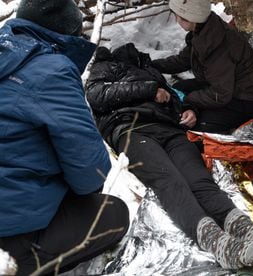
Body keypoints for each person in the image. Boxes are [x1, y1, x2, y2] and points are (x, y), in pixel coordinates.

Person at [85, 43, 253, 269]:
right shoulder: (105, 67)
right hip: (132, 129)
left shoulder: (150, 69)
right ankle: (217, 243)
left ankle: (250, 231)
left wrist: (189, 110)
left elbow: (173, 97)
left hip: (171, 128)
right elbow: (96, 95)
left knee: (200, 181)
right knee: (170, 182)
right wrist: (148, 89)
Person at [0, 0, 130, 275]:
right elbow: (91, 174)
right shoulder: (51, 70)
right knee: (115, 214)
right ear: (67, 32)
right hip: (9, 239)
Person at [151, 0, 253, 133]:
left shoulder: (217, 44)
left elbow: (220, 94)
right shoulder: (205, 28)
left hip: (245, 98)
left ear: (187, 18)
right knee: (177, 90)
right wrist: (152, 64)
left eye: (176, 15)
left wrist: (188, 102)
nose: (176, 20)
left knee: (200, 126)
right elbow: (183, 60)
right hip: (222, 84)